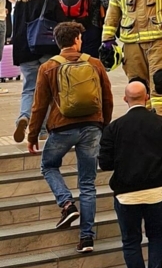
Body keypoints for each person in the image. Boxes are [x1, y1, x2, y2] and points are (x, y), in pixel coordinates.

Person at [28, 22, 114, 253]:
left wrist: (33, 134)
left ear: (58, 42)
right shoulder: (94, 63)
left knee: (48, 166)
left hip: (62, 127)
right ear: (77, 39)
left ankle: (66, 203)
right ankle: (87, 238)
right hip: (92, 127)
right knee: (87, 184)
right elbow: (107, 99)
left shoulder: (47, 67)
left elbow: (38, 106)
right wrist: (104, 126)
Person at [99, 80, 162, 268]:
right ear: (147, 98)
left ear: (125, 99)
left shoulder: (113, 128)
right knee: (157, 236)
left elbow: (105, 163)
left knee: (131, 242)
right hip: (156, 192)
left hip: (126, 195)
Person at [12, 0, 65, 143]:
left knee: (29, 89)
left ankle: (24, 116)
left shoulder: (20, 1)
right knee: (48, 91)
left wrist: (18, 56)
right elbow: (62, 25)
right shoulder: (50, 0)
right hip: (47, 50)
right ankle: (43, 130)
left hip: (26, 53)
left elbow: (17, 30)